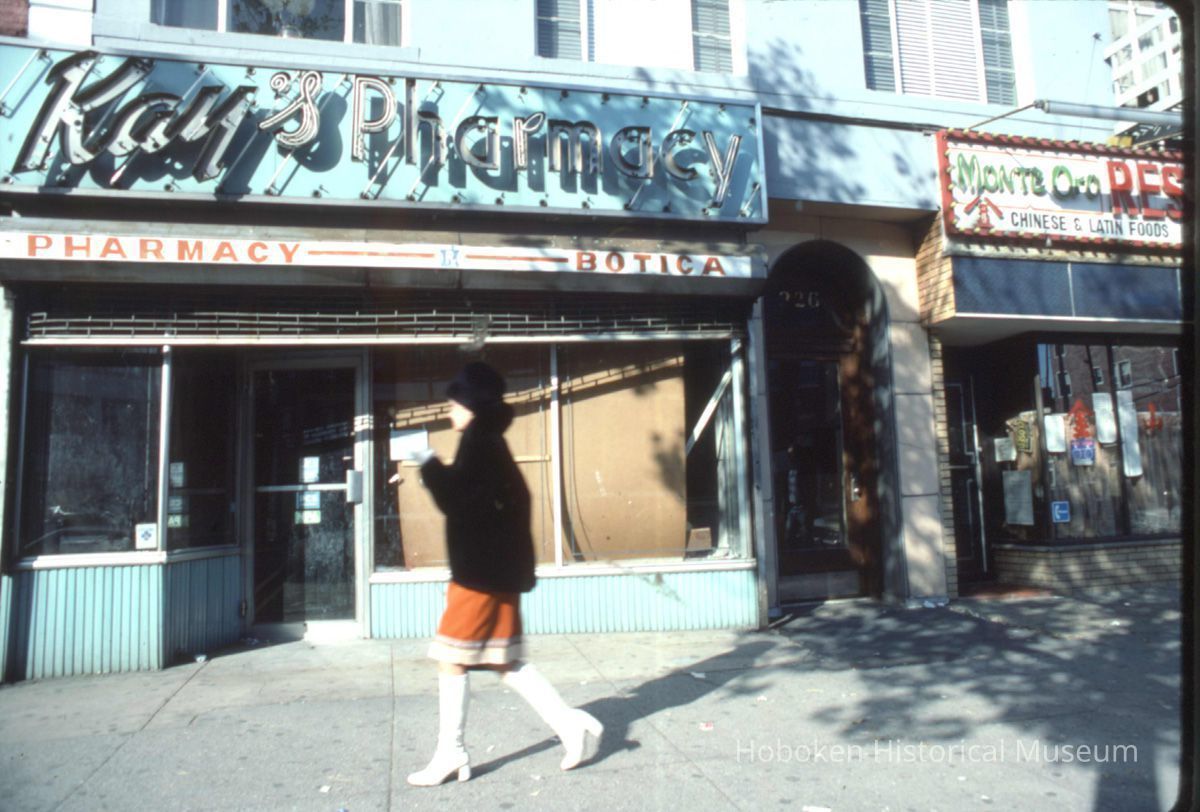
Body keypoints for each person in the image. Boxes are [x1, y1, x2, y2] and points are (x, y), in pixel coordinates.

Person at [406, 361, 603, 787]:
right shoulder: (489, 441)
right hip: (499, 572)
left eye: (454, 403)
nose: (449, 411)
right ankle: (570, 724)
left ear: (471, 405)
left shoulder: (479, 443)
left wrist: (425, 461)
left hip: (479, 575)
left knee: (450, 658)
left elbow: (457, 501)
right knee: (504, 661)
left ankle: (451, 753)